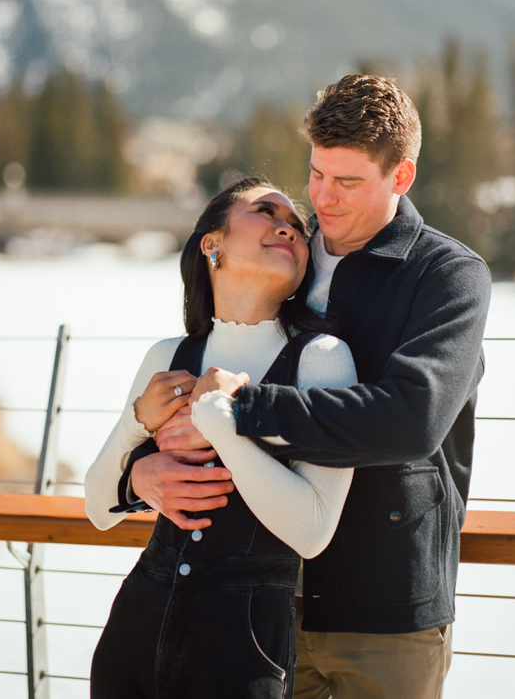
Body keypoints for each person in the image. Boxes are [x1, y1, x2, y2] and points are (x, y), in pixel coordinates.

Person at [124, 75, 492, 699]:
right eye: (317, 173)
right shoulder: (282, 255)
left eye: (348, 182)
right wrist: (139, 469)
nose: (322, 197)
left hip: (387, 611)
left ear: (400, 178)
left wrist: (243, 406)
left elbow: (414, 419)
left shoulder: (448, 276)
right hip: (256, 601)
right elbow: (211, 357)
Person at [84, 176, 359, 699]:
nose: (289, 226)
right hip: (135, 634)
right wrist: (136, 440)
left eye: (298, 226)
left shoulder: (321, 360)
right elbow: (98, 507)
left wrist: (224, 430)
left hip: (243, 650)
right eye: (265, 210)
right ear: (213, 244)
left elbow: (314, 530)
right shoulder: (167, 357)